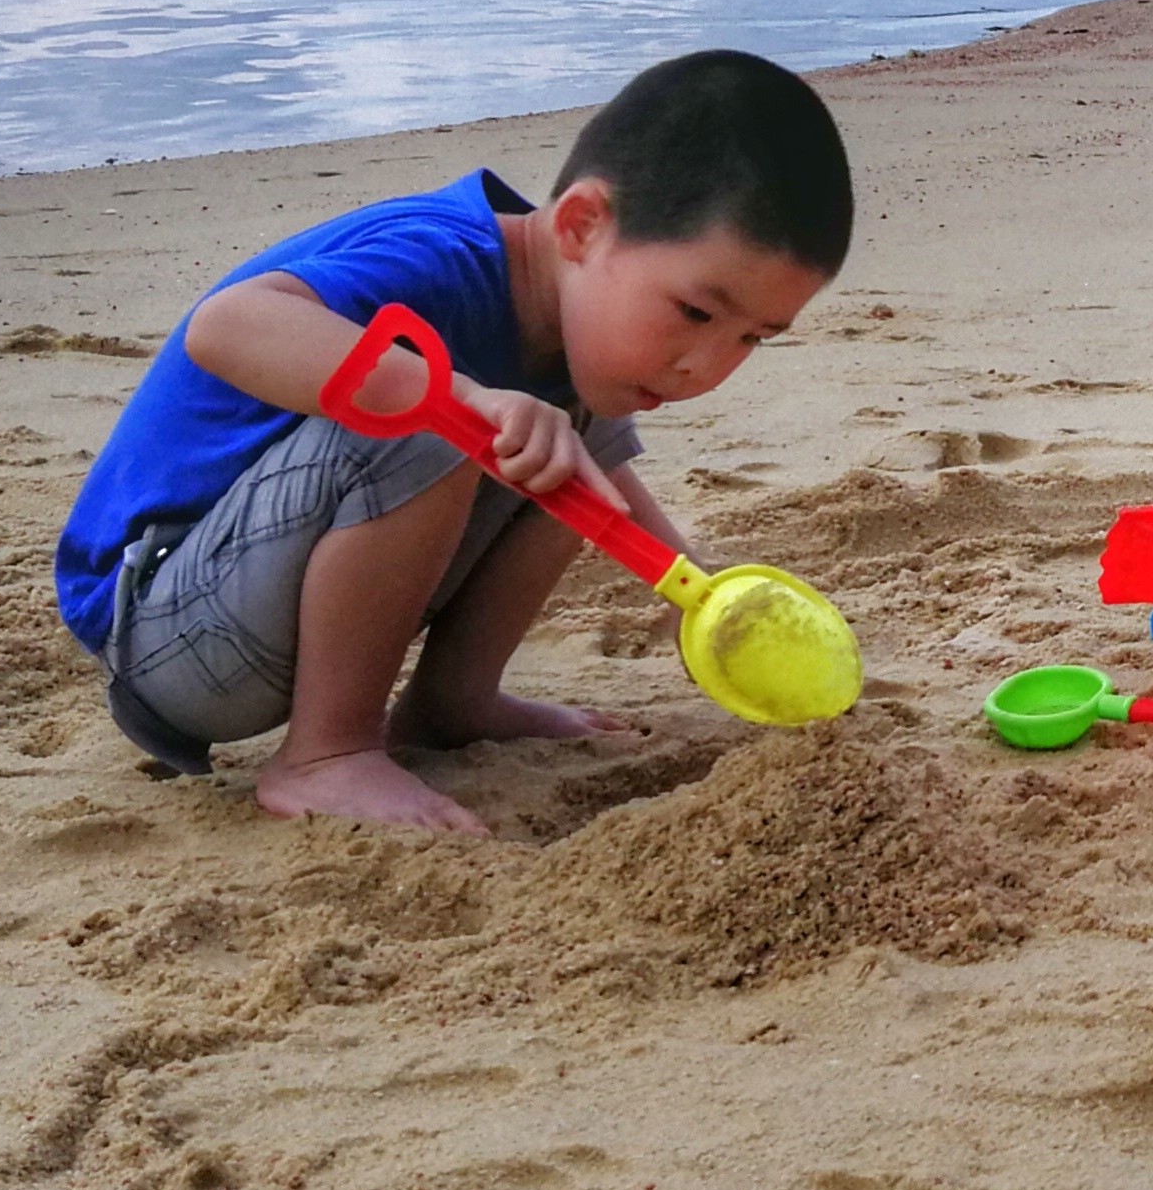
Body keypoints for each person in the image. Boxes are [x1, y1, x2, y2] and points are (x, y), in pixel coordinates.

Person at [53, 50, 853, 835]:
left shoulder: (565, 321)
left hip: (264, 601)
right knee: (434, 407)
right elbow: (225, 325)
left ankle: (450, 702)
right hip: (164, 630)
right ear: (581, 225)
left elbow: (596, 488)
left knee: (568, 424)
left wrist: (698, 593)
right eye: (695, 313)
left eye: (753, 338)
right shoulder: (438, 258)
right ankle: (325, 752)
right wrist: (461, 397)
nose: (703, 367)